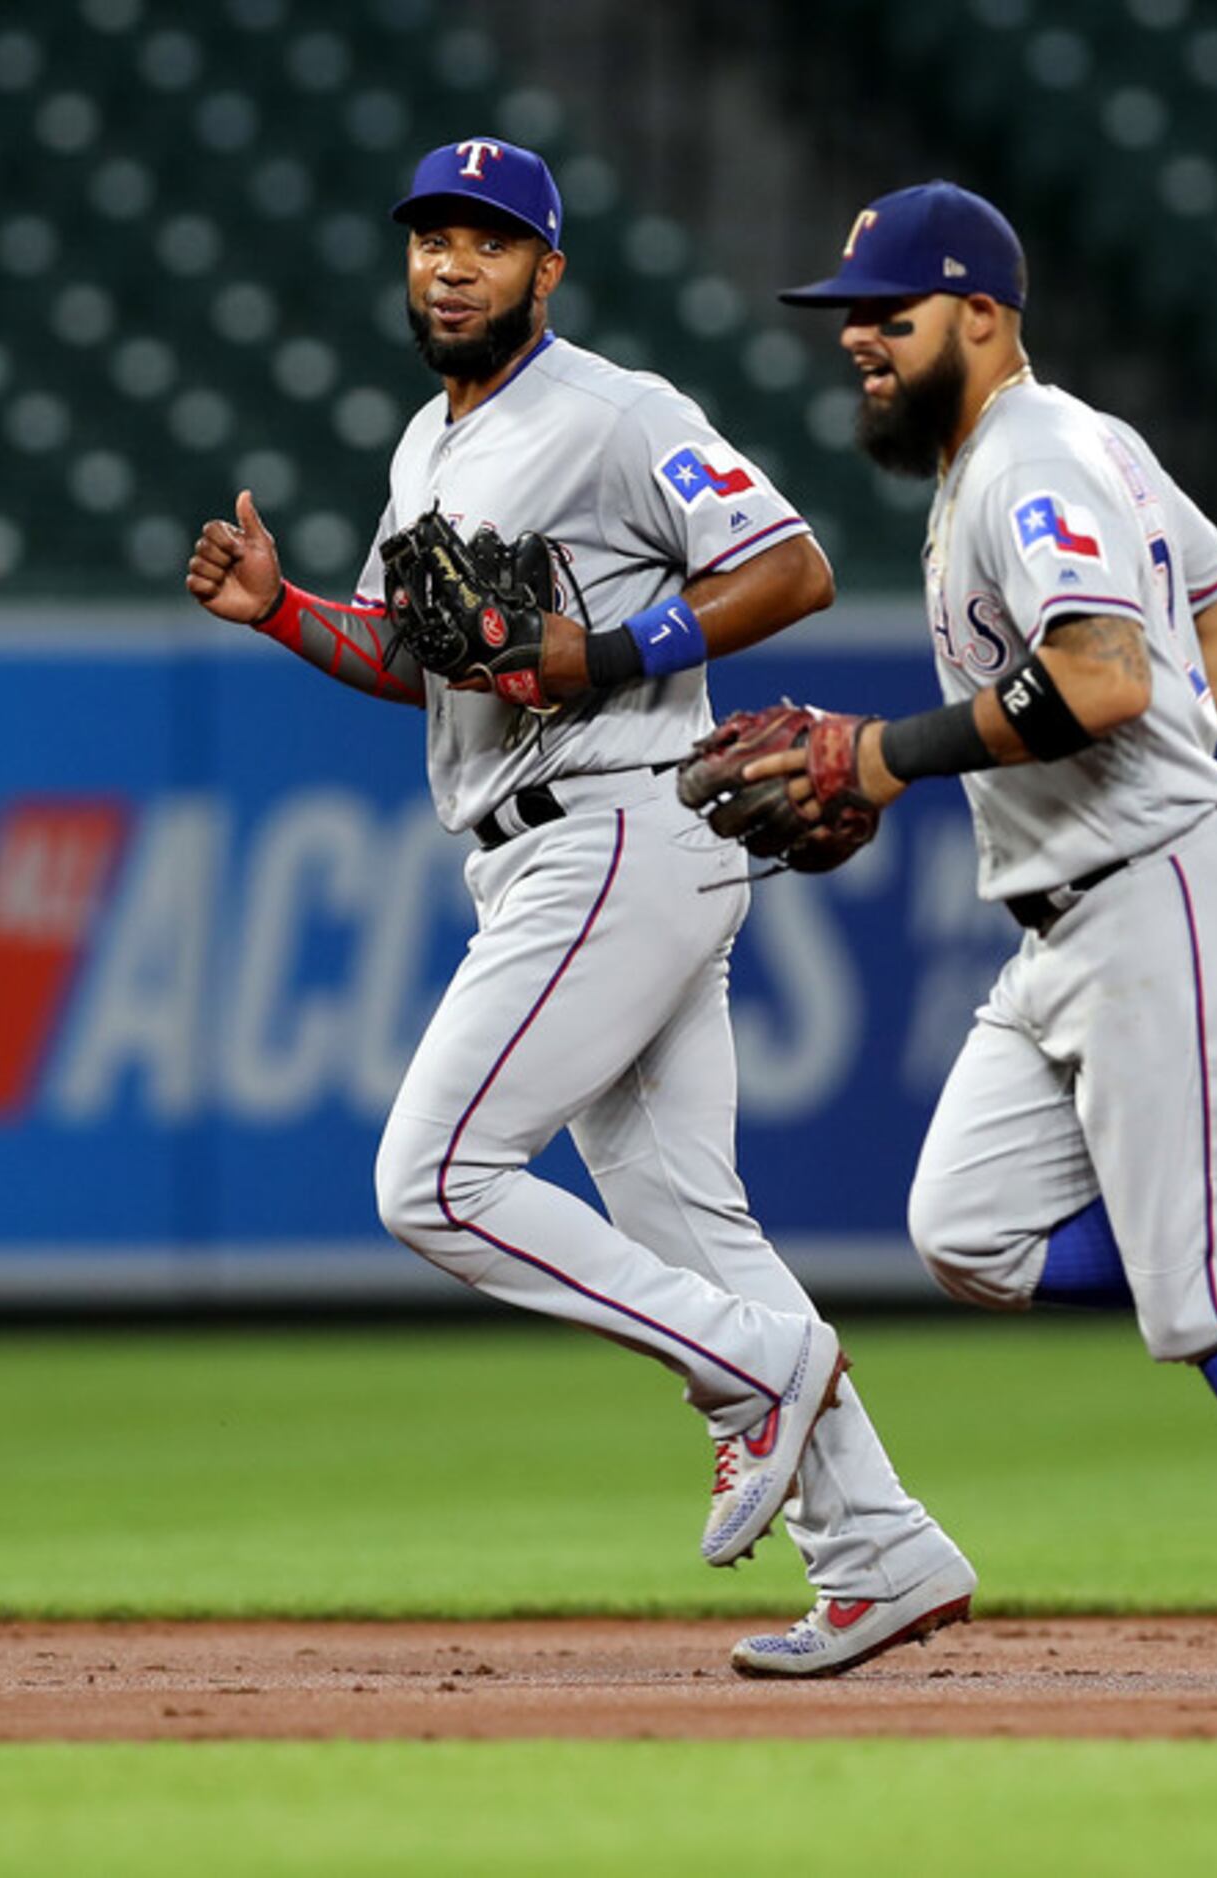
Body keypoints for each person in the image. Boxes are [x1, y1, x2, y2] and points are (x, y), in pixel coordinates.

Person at [182, 138, 973, 1677]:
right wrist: (282, 608)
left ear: (547, 269)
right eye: (432, 238)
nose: (452, 264)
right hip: (552, 843)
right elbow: (418, 658)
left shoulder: (618, 412)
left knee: (435, 1177)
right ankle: (878, 1547)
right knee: (688, 1219)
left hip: (619, 821)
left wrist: (600, 656)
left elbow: (792, 565)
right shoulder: (427, 443)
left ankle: (757, 1368)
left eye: (489, 241)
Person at [745, 180, 1217, 1692]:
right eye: (851, 324)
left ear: (985, 312)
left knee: (1202, 1294)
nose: (862, 347)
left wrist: (889, 757)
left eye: (890, 317)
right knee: (970, 1226)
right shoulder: (1061, 448)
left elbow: (1102, 680)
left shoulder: (1030, 456)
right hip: (1081, 916)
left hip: (1167, 897)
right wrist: (1149, 755)